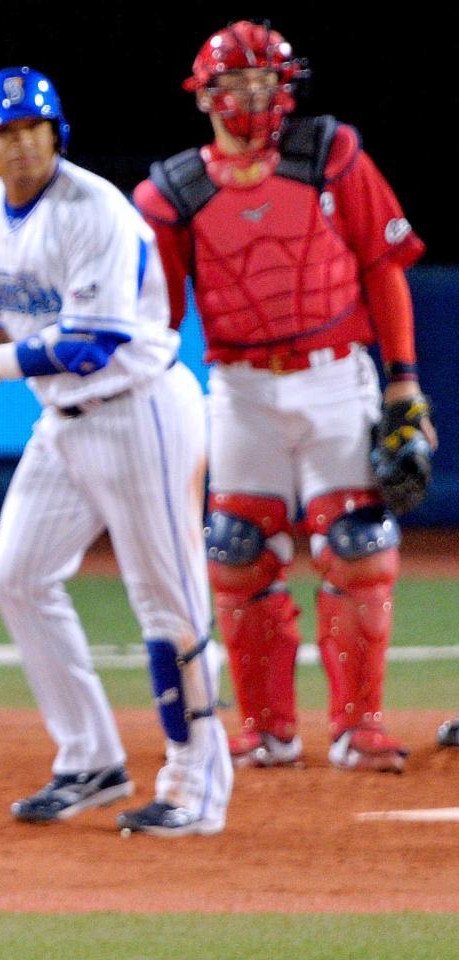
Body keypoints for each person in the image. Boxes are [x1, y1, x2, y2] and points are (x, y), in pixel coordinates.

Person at [0, 66, 233, 837]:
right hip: (63, 423)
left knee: (170, 604)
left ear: (56, 132)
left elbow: (93, 343)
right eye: (2, 132)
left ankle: (197, 784)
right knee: (18, 578)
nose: (19, 144)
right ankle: (90, 757)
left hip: (141, 414)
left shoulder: (96, 209)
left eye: (31, 127)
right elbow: (0, 317)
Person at [133, 21, 438, 773]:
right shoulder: (167, 194)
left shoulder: (331, 153)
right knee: (236, 554)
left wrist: (403, 383)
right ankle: (268, 729)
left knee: (359, 544)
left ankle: (358, 726)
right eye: (239, 85)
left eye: (267, 83)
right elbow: (159, 319)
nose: (255, 99)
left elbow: (384, 265)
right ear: (206, 96)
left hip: (338, 374)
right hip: (238, 386)